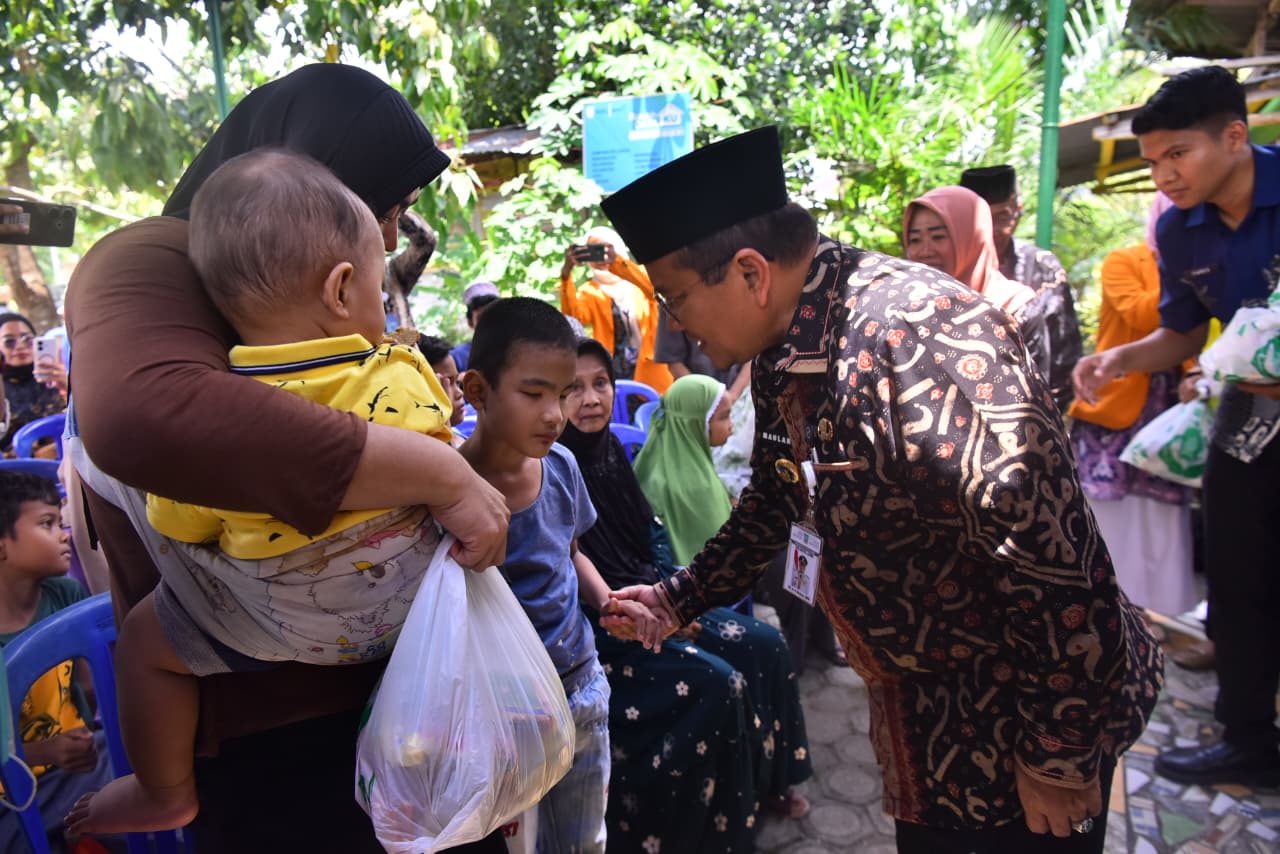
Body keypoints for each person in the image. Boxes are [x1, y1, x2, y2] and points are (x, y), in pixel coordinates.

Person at [600, 126, 1161, 854]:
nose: (675, 324)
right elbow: (775, 499)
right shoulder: (785, 343)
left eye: (675, 299)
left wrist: (1059, 753)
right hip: (928, 726)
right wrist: (679, 597)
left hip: (1021, 722)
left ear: (749, 272)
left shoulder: (920, 338)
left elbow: (1054, 558)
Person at [63, 64, 509, 853]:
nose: (397, 239)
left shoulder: (318, 280)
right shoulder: (152, 262)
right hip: (277, 737)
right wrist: (439, 472)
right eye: (393, 209)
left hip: (408, 691)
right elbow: (145, 416)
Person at [1074, 66, 1280, 788]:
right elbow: (1182, 335)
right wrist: (1117, 360)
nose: (1163, 175)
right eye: (1153, 161)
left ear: (1234, 134)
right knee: (1237, 573)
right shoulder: (1177, 230)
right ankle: (1250, 737)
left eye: (1177, 155)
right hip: (1249, 416)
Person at [560, 337, 812, 850]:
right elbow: (572, 578)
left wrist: (674, 596)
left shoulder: (610, 450)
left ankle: (767, 781)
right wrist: (649, 610)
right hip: (605, 625)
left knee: (764, 642)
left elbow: (650, 534)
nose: (591, 399)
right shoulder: (558, 465)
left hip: (649, 593)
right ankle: (718, 829)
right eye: (573, 389)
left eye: (601, 383)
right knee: (720, 683)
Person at [458, 296, 663, 854]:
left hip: (578, 689)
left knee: (580, 840)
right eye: (534, 393)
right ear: (477, 390)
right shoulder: (448, 481)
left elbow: (570, 551)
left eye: (564, 391)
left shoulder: (561, 467)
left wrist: (607, 601)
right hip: (498, 711)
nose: (555, 413)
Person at [1067, 194, 1197, 620]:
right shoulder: (1125, 261)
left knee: (1161, 518)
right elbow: (1146, 317)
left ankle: (1155, 618)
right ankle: (1103, 613)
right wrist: (1190, 270)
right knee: (1108, 514)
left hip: (1172, 408)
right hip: (1117, 409)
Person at [0, 471, 121, 854]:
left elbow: (89, 685)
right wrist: (45, 752)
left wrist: (83, 742)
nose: (64, 533)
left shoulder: (64, 594)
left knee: (153, 783)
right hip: (10, 794)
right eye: (46, 524)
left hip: (78, 767)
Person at [961, 164, 1083, 412]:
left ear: (1018, 212)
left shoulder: (1042, 268)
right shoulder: (944, 268)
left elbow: (1063, 350)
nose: (993, 231)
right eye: (984, 220)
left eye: (1002, 217)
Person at [903, 186, 1051, 380]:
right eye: (915, 239)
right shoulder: (907, 310)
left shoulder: (1014, 309)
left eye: (938, 237)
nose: (924, 251)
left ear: (973, 238)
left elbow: (1036, 398)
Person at [633, 374, 736, 566]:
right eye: (724, 417)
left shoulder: (658, 460)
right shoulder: (697, 485)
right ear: (695, 423)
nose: (731, 425)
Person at [559, 226, 673, 393]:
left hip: (650, 368)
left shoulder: (637, 280)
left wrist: (617, 262)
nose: (601, 257)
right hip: (612, 370)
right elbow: (573, 317)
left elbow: (653, 289)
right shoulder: (590, 291)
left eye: (604, 249)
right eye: (593, 251)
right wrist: (566, 275)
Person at [0, 312, 67, 453]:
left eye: (27, 339)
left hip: (67, 454)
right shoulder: (2, 387)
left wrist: (68, 385)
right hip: (20, 468)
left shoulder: (53, 376)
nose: (20, 346)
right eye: (9, 342)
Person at [418, 333, 468, 430]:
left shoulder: (459, 436)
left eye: (457, 382)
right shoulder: (423, 444)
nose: (460, 393)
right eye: (445, 385)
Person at [450, 280, 500, 372]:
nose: (489, 322)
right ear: (470, 322)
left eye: (494, 315)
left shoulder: (516, 350)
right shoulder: (457, 357)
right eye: (481, 318)